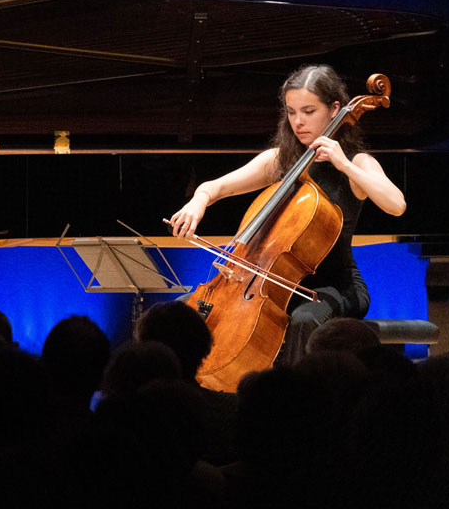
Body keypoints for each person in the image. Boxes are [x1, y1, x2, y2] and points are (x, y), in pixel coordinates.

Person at [169, 64, 406, 364]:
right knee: (183, 310)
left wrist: (344, 164)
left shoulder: (357, 163)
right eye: (291, 112)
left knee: (304, 319)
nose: (298, 122)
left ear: (335, 109)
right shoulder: (281, 160)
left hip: (333, 287)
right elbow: (216, 187)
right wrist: (198, 201)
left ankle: (295, 390)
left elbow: (396, 205)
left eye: (309, 111)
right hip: (273, 284)